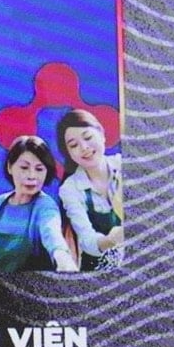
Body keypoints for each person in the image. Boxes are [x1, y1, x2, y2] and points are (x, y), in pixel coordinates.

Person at [0, 136, 78, 274]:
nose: (32, 176)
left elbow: (52, 234)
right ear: (10, 167)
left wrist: (63, 258)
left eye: (39, 169)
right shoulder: (1, 203)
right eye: (24, 167)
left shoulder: (45, 206)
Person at [55, 108, 124, 270]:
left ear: (102, 135)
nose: (84, 147)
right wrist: (110, 240)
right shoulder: (70, 189)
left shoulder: (124, 165)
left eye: (88, 137)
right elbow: (87, 240)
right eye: (74, 145)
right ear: (69, 154)